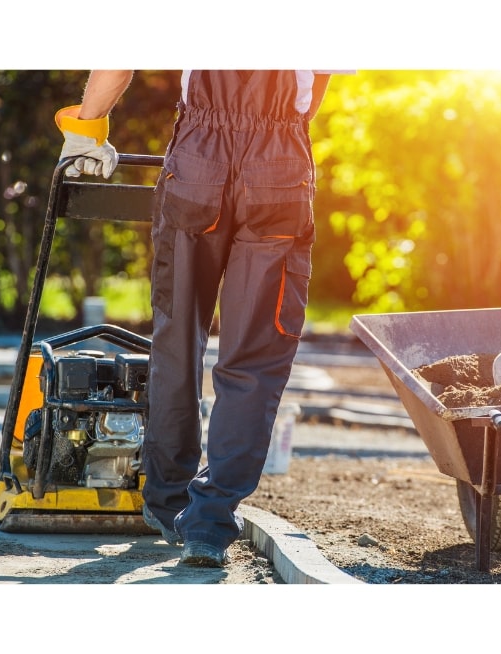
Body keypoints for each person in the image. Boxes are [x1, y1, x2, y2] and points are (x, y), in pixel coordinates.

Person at [56, 70, 344, 567]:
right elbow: (314, 88)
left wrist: (87, 127)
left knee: (177, 340)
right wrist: (275, 133)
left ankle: (169, 502)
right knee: (255, 354)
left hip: (198, 159)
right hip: (279, 165)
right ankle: (208, 522)